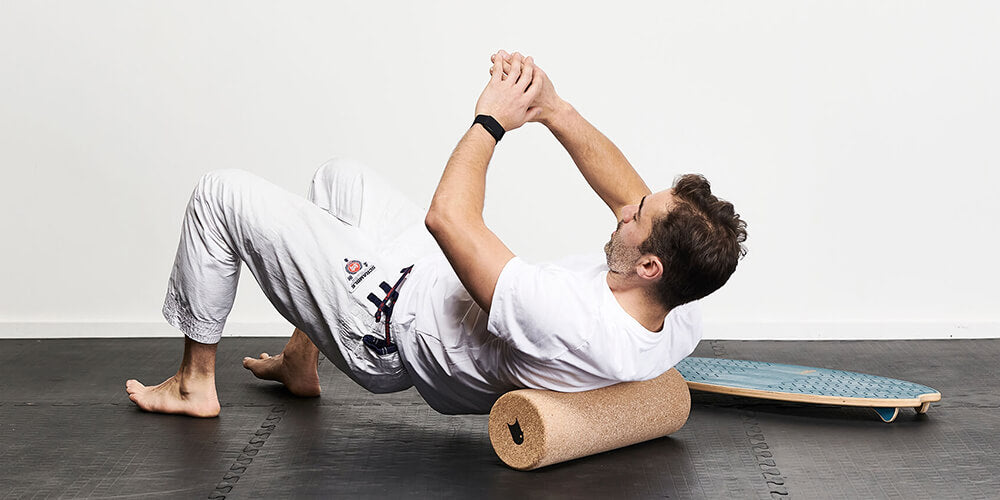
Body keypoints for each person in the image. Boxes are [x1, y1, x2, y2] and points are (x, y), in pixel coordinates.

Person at [125, 50, 748, 417]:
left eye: (637, 219)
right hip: (430, 285)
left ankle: (193, 383)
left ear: (649, 268)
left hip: (383, 325)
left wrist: (492, 120)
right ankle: (299, 361)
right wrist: (552, 107)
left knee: (220, 193)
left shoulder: (565, 316)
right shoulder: (679, 312)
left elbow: (448, 218)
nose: (624, 210)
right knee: (338, 178)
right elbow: (626, 193)